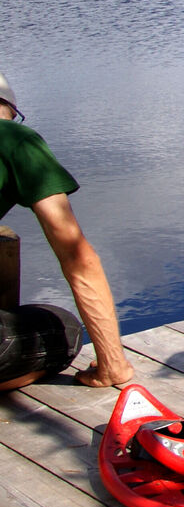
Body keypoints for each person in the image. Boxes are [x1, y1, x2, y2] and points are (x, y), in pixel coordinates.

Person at [0, 70, 134, 389]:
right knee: (62, 330)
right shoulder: (14, 139)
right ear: (10, 109)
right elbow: (78, 258)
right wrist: (113, 366)